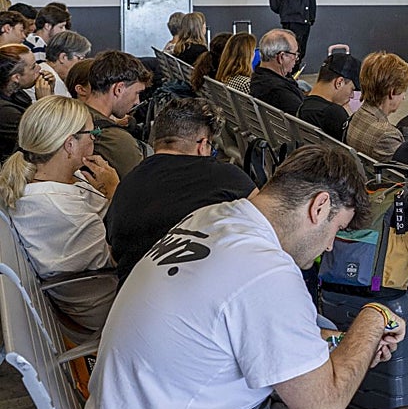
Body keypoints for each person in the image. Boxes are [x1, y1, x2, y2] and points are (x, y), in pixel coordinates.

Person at [83, 146, 408, 409]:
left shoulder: (212, 218)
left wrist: (344, 345)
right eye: (337, 229)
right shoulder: (265, 269)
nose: (330, 246)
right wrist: (371, 320)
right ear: (318, 208)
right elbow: (322, 405)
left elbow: (245, 327)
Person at [0, 95, 120, 332]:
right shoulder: (59, 208)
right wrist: (116, 192)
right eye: (91, 134)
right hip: (107, 306)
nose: (95, 139)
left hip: (96, 292)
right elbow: (120, 255)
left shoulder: (46, 180)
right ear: (70, 144)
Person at [105, 97, 255, 284]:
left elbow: (114, 254)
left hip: (130, 298)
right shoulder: (225, 176)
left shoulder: (127, 182)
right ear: (202, 146)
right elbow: (270, 224)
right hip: (198, 296)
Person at [82, 51, 151, 179]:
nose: (137, 101)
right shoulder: (118, 140)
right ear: (118, 89)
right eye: (137, 93)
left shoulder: (70, 114)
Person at [346, 51, 408, 162]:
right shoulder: (387, 135)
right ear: (392, 92)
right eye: (403, 91)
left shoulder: (357, 116)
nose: (404, 97)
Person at [1, 44, 54, 160]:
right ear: (16, 77)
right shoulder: (5, 112)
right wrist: (45, 103)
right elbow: (43, 138)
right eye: (33, 67)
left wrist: (51, 92)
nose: (39, 69)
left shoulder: (19, 94)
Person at [298, 52, 361, 141]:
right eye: (352, 89)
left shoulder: (303, 104)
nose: (352, 95)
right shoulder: (332, 113)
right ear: (339, 83)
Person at [250, 28, 304, 114]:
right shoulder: (279, 92)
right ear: (281, 57)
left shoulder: (258, 78)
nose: (296, 59)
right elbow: (305, 120)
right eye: (295, 54)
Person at [39, 30, 91, 97]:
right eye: (80, 58)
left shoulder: (43, 69)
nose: (81, 64)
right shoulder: (49, 80)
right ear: (63, 57)